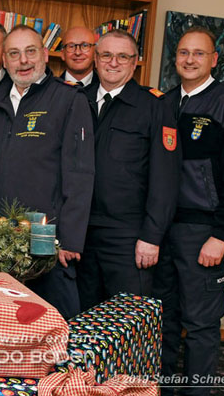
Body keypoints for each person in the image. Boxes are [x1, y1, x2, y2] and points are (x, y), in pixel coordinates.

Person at [153, 27, 224, 396]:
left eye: (199, 53)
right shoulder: (164, 103)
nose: (189, 59)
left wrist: (222, 233)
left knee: (199, 324)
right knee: (163, 319)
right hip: (162, 229)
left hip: (204, 232)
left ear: (215, 59)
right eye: (183, 52)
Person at [0, 24, 94, 320]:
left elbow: (80, 173)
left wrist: (70, 239)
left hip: (47, 243)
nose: (23, 61)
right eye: (14, 54)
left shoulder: (69, 100)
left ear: (44, 54)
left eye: (30, 52)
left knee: (52, 326)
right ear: (4, 60)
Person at [77, 29, 180, 311]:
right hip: (80, 234)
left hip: (128, 236)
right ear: (95, 60)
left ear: (135, 63)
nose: (113, 62)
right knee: (81, 319)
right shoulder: (77, 100)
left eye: (123, 56)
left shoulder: (154, 106)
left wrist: (151, 236)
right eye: (107, 55)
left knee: (126, 323)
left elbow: (166, 180)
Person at [59, 26, 99, 91]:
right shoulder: (49, 90)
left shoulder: (106, 89)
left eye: (85, 46)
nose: (77, 52)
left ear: (95, 53)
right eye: (71, 46)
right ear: (62, 54)